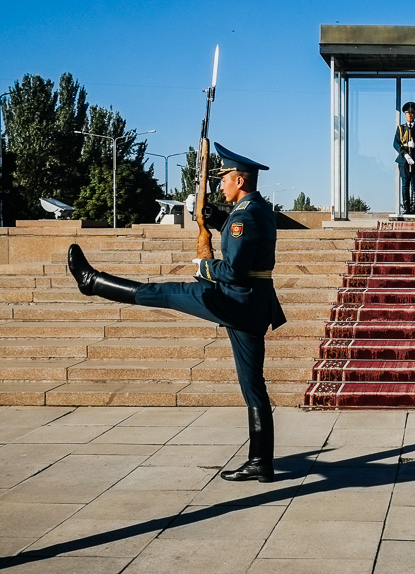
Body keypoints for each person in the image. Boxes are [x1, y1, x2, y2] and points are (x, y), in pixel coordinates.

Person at [67, 143, 286, 483]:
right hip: (252, 306)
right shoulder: (258, 210)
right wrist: (217, 218)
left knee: (168, 292)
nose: (220, 185)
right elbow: (247, 245)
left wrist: (204, 266)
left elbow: (235, 269)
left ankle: (92, 282)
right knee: (253, 385)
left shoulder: (244, 217)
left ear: (239, 180)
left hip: (233, 299)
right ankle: (262, 462)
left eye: (225, 178)